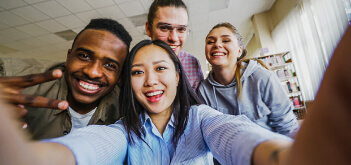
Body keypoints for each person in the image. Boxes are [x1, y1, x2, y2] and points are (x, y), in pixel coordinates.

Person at [1, 31, 351, 164]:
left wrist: (284, 157)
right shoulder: (123, 130)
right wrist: (31, 157)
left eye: (161, 68)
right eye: (137, 72)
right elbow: (92, 145)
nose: (150, 81)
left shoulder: (202, 118)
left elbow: (234, 134)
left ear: (179, 74)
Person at [0, 18, 132, 140]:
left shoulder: (127, 108)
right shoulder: (20, 80)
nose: (92, 72)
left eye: (110, 65)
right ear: (69, 57)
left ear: (120, 75)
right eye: (84, 56)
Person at [197, 22, 299, 138]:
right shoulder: (203, 91)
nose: (217, 45)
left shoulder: (263, 78)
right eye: (210, 42)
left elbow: (288, 128)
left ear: (239, 51)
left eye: (226, 40)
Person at [145, 0, 204, 90]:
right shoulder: (134, 64)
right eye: (164, 28)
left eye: (181, 29)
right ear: (149, 29)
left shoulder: (192, 63)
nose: (174, 38)